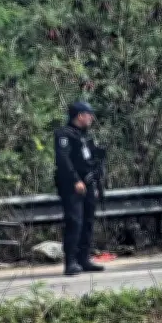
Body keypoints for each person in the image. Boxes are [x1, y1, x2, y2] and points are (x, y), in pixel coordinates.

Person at [54, 101, 105, 276]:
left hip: (88, 184)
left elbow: (91, 160)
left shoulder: (85, 135)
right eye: (89, 114)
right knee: (74, 222)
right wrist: (75, 180)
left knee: (88, 222)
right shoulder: (64, 134)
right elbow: (63, 160)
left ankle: (84, 259)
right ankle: (71, 262)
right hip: (72, 185)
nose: (91, 118)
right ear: (80, 115)